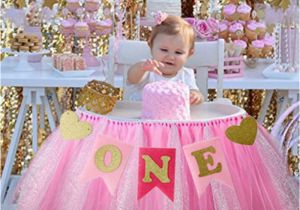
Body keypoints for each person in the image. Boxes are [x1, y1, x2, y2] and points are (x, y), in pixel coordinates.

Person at [127, 15, 204, 105]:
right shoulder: (148, 69)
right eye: (164, 50)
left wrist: (196, 96)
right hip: (143, 117)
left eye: (178, 52)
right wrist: (142, 68)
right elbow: (132, 78)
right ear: (151, 46)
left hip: (176, 117)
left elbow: (196, 93)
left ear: (189, 54)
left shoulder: (186, 75)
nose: (171, 57)